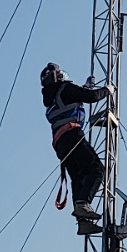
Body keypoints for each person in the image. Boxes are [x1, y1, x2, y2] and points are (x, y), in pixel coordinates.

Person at [40, 62, 111, 235]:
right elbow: (91, 97)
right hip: (72, 135)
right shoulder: (64, 88)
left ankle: (83, 221)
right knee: (96, 170)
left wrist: (85, 87)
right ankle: (83, 204)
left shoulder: (51, 99)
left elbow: (74, 98)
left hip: (61, 143)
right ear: (58, 76)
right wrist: (107, 90)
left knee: (79, 177)